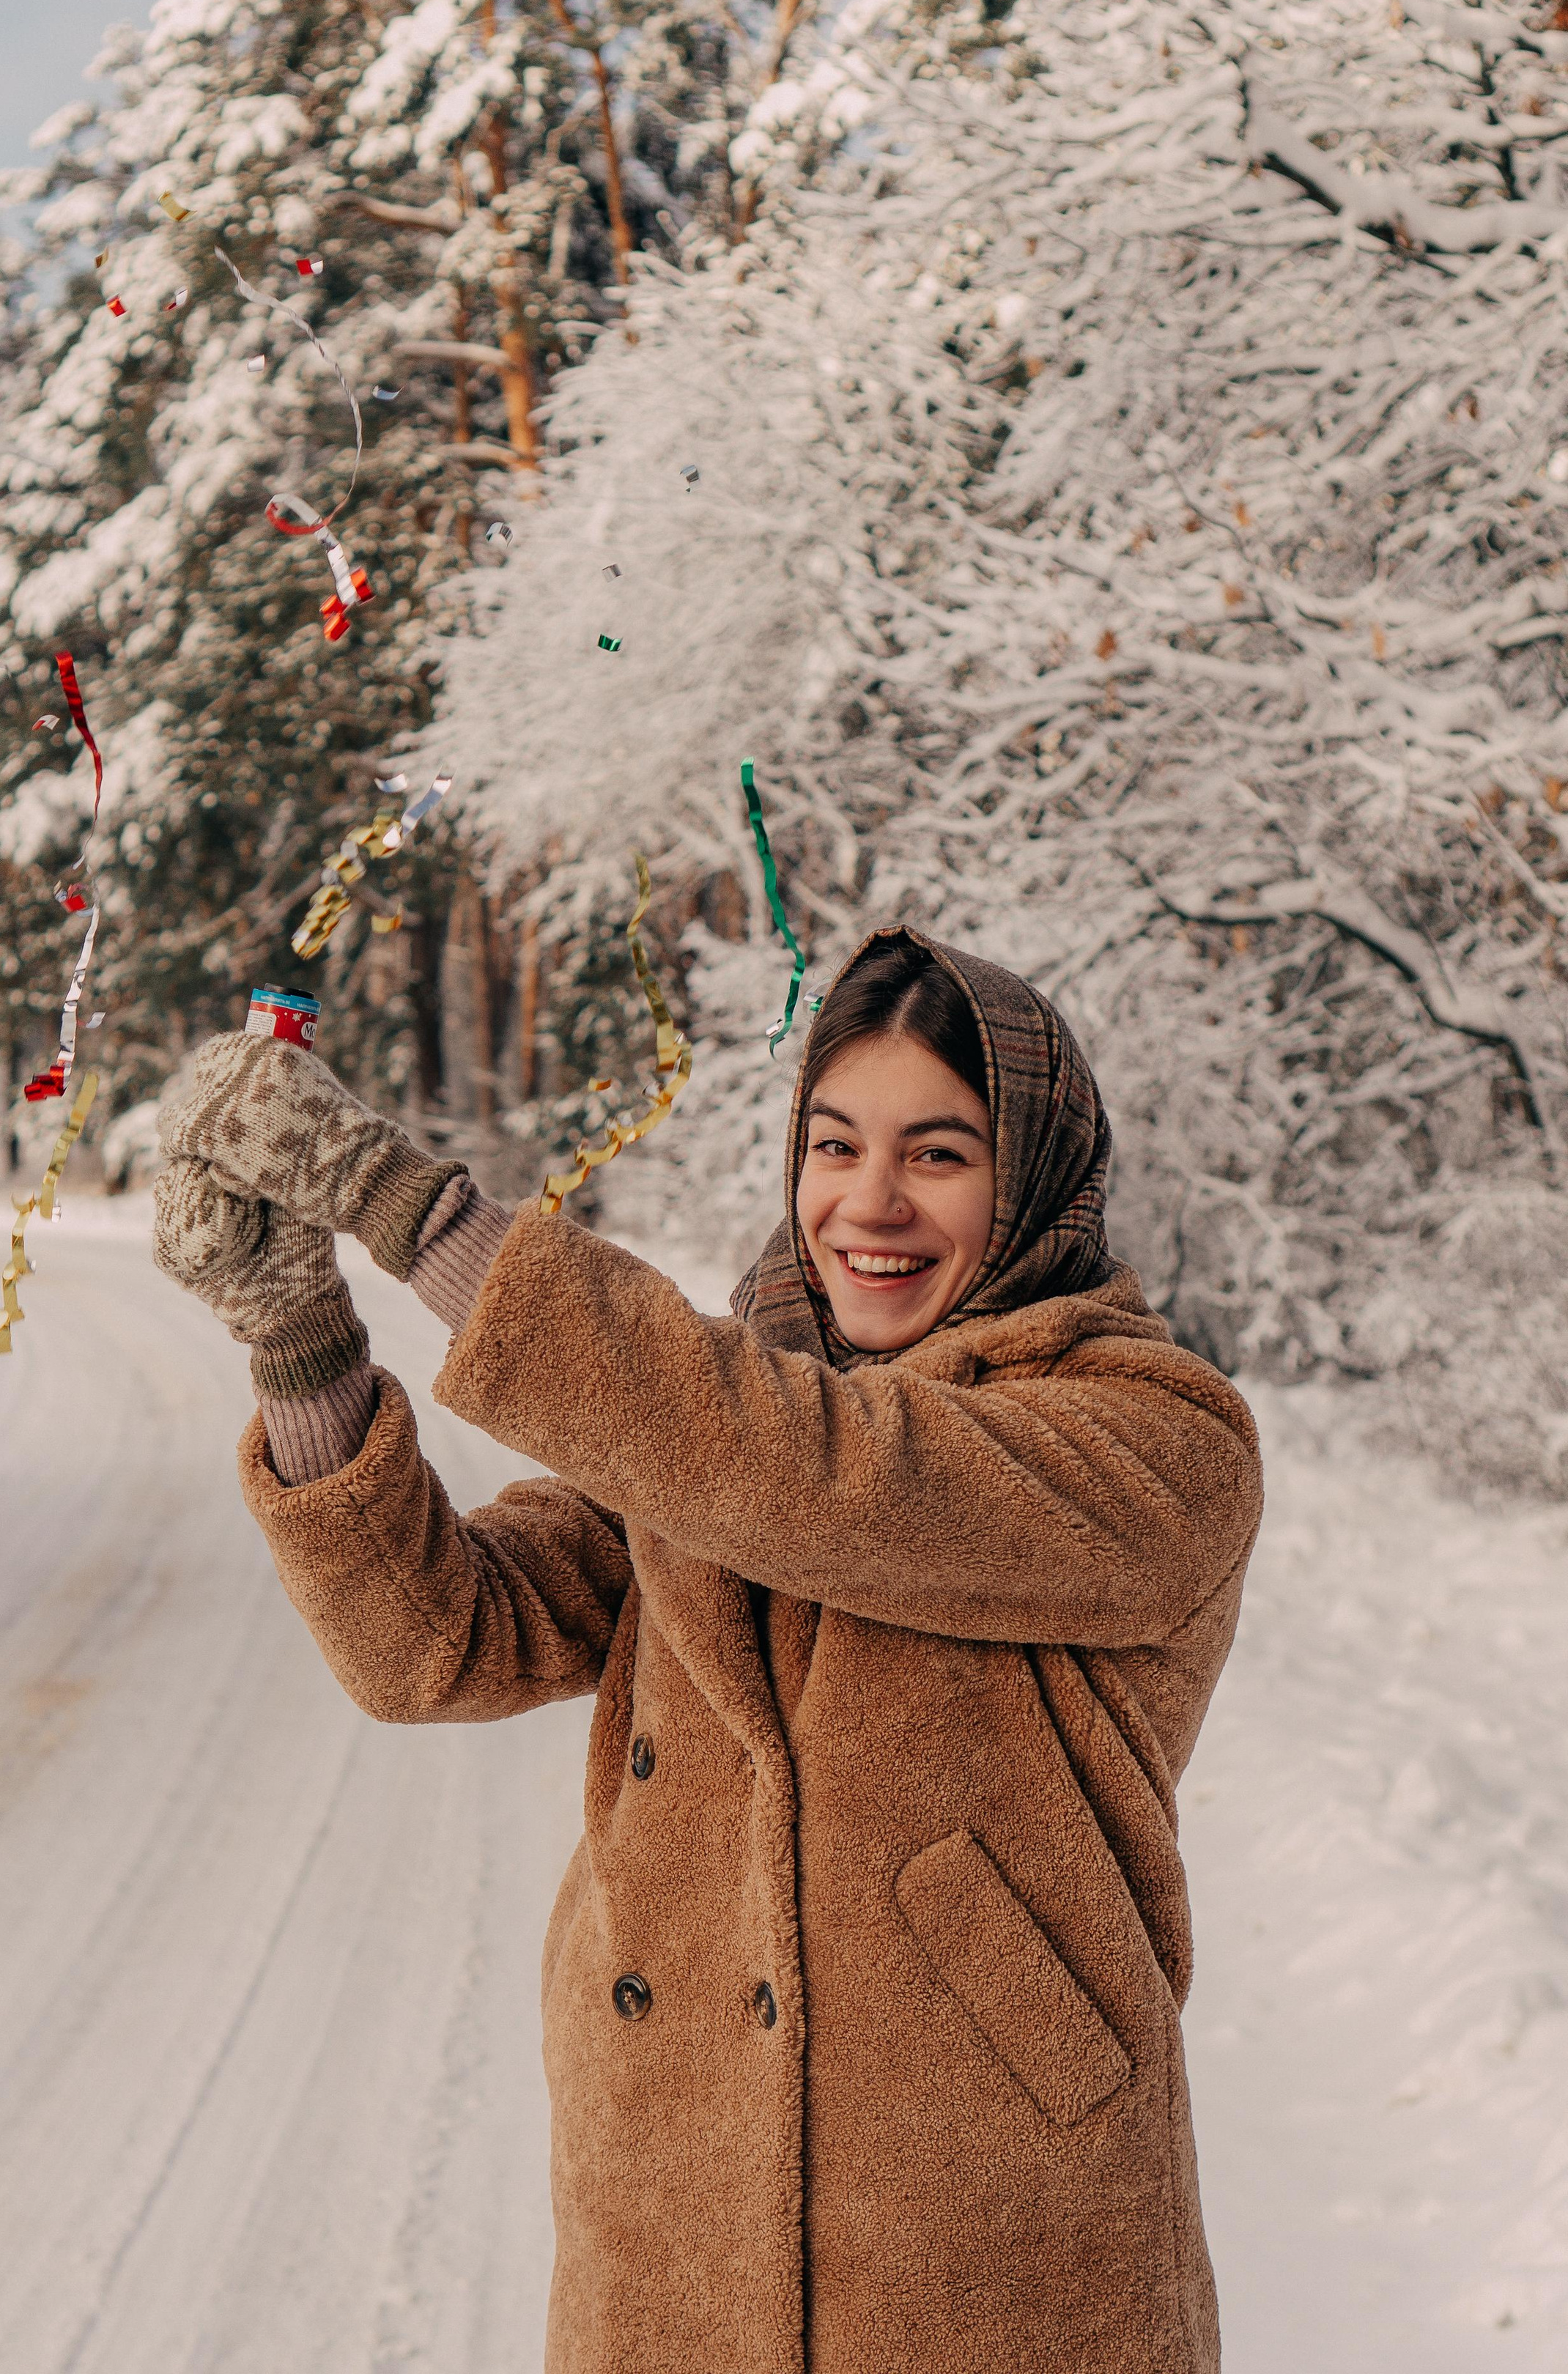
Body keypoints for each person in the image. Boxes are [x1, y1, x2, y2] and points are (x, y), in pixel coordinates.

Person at [152, 925, 1262, 2374]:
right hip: (667, 2210)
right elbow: (435, 1643)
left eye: (937, 1155)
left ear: (1037, 1174)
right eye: (834, 1146)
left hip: (993, 2257)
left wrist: (397, 1201)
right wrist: (295, 1331)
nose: (869, 1203)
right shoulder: (719, 1422)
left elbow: (827, 1475)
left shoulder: (1155, 1440)